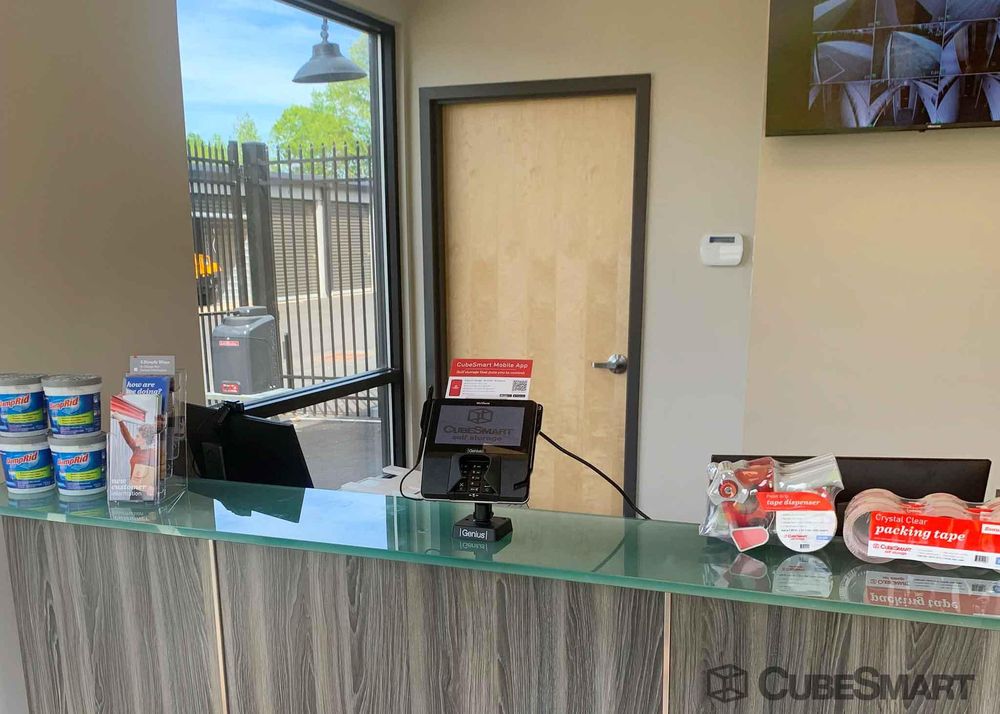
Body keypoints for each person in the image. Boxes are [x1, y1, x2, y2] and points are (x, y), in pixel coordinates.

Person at [119, 420, 158, 500]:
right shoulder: (136, 449)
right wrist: (120, 421)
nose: (135, 438)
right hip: (135, 490)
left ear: (145, 439)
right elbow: (127, 436)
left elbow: (156, 475)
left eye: (138, 436)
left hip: (146, 492)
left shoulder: (153, 453)